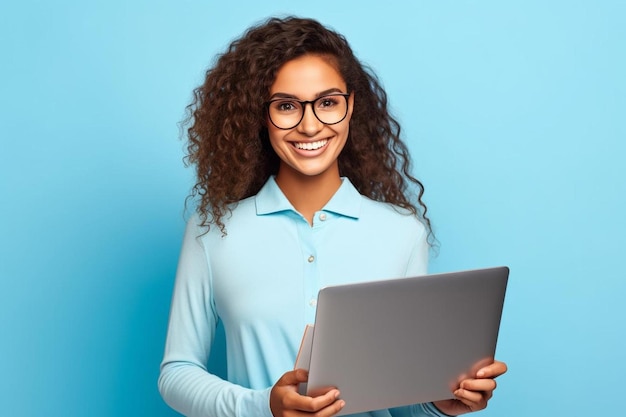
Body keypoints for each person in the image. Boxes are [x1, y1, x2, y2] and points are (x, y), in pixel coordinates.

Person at [158, 16, 507, 417]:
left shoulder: (402, 233)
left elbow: (403, 399)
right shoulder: (212, 233)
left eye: (327, 103)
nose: (310, 126)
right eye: (286, 106)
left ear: (350, 105)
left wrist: (441, 403)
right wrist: (263, 406)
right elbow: (177, 372)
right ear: (261, 115)